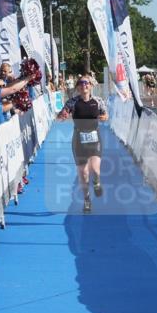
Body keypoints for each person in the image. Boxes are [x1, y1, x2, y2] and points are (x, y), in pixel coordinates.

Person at [58, 77, 109, 213]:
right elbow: (61, 116)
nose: (84, 85)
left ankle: (97, 182)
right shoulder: (73, 102)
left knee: (95, 170)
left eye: (86, 83)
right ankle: (87, 200)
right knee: (83, 173)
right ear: (78, 88)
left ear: (91, 86)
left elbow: (105, 116)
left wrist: (104, 118)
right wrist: (62, 115)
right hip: (79, 140)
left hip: (94, 138)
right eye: (81, 83)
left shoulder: (98, 101)